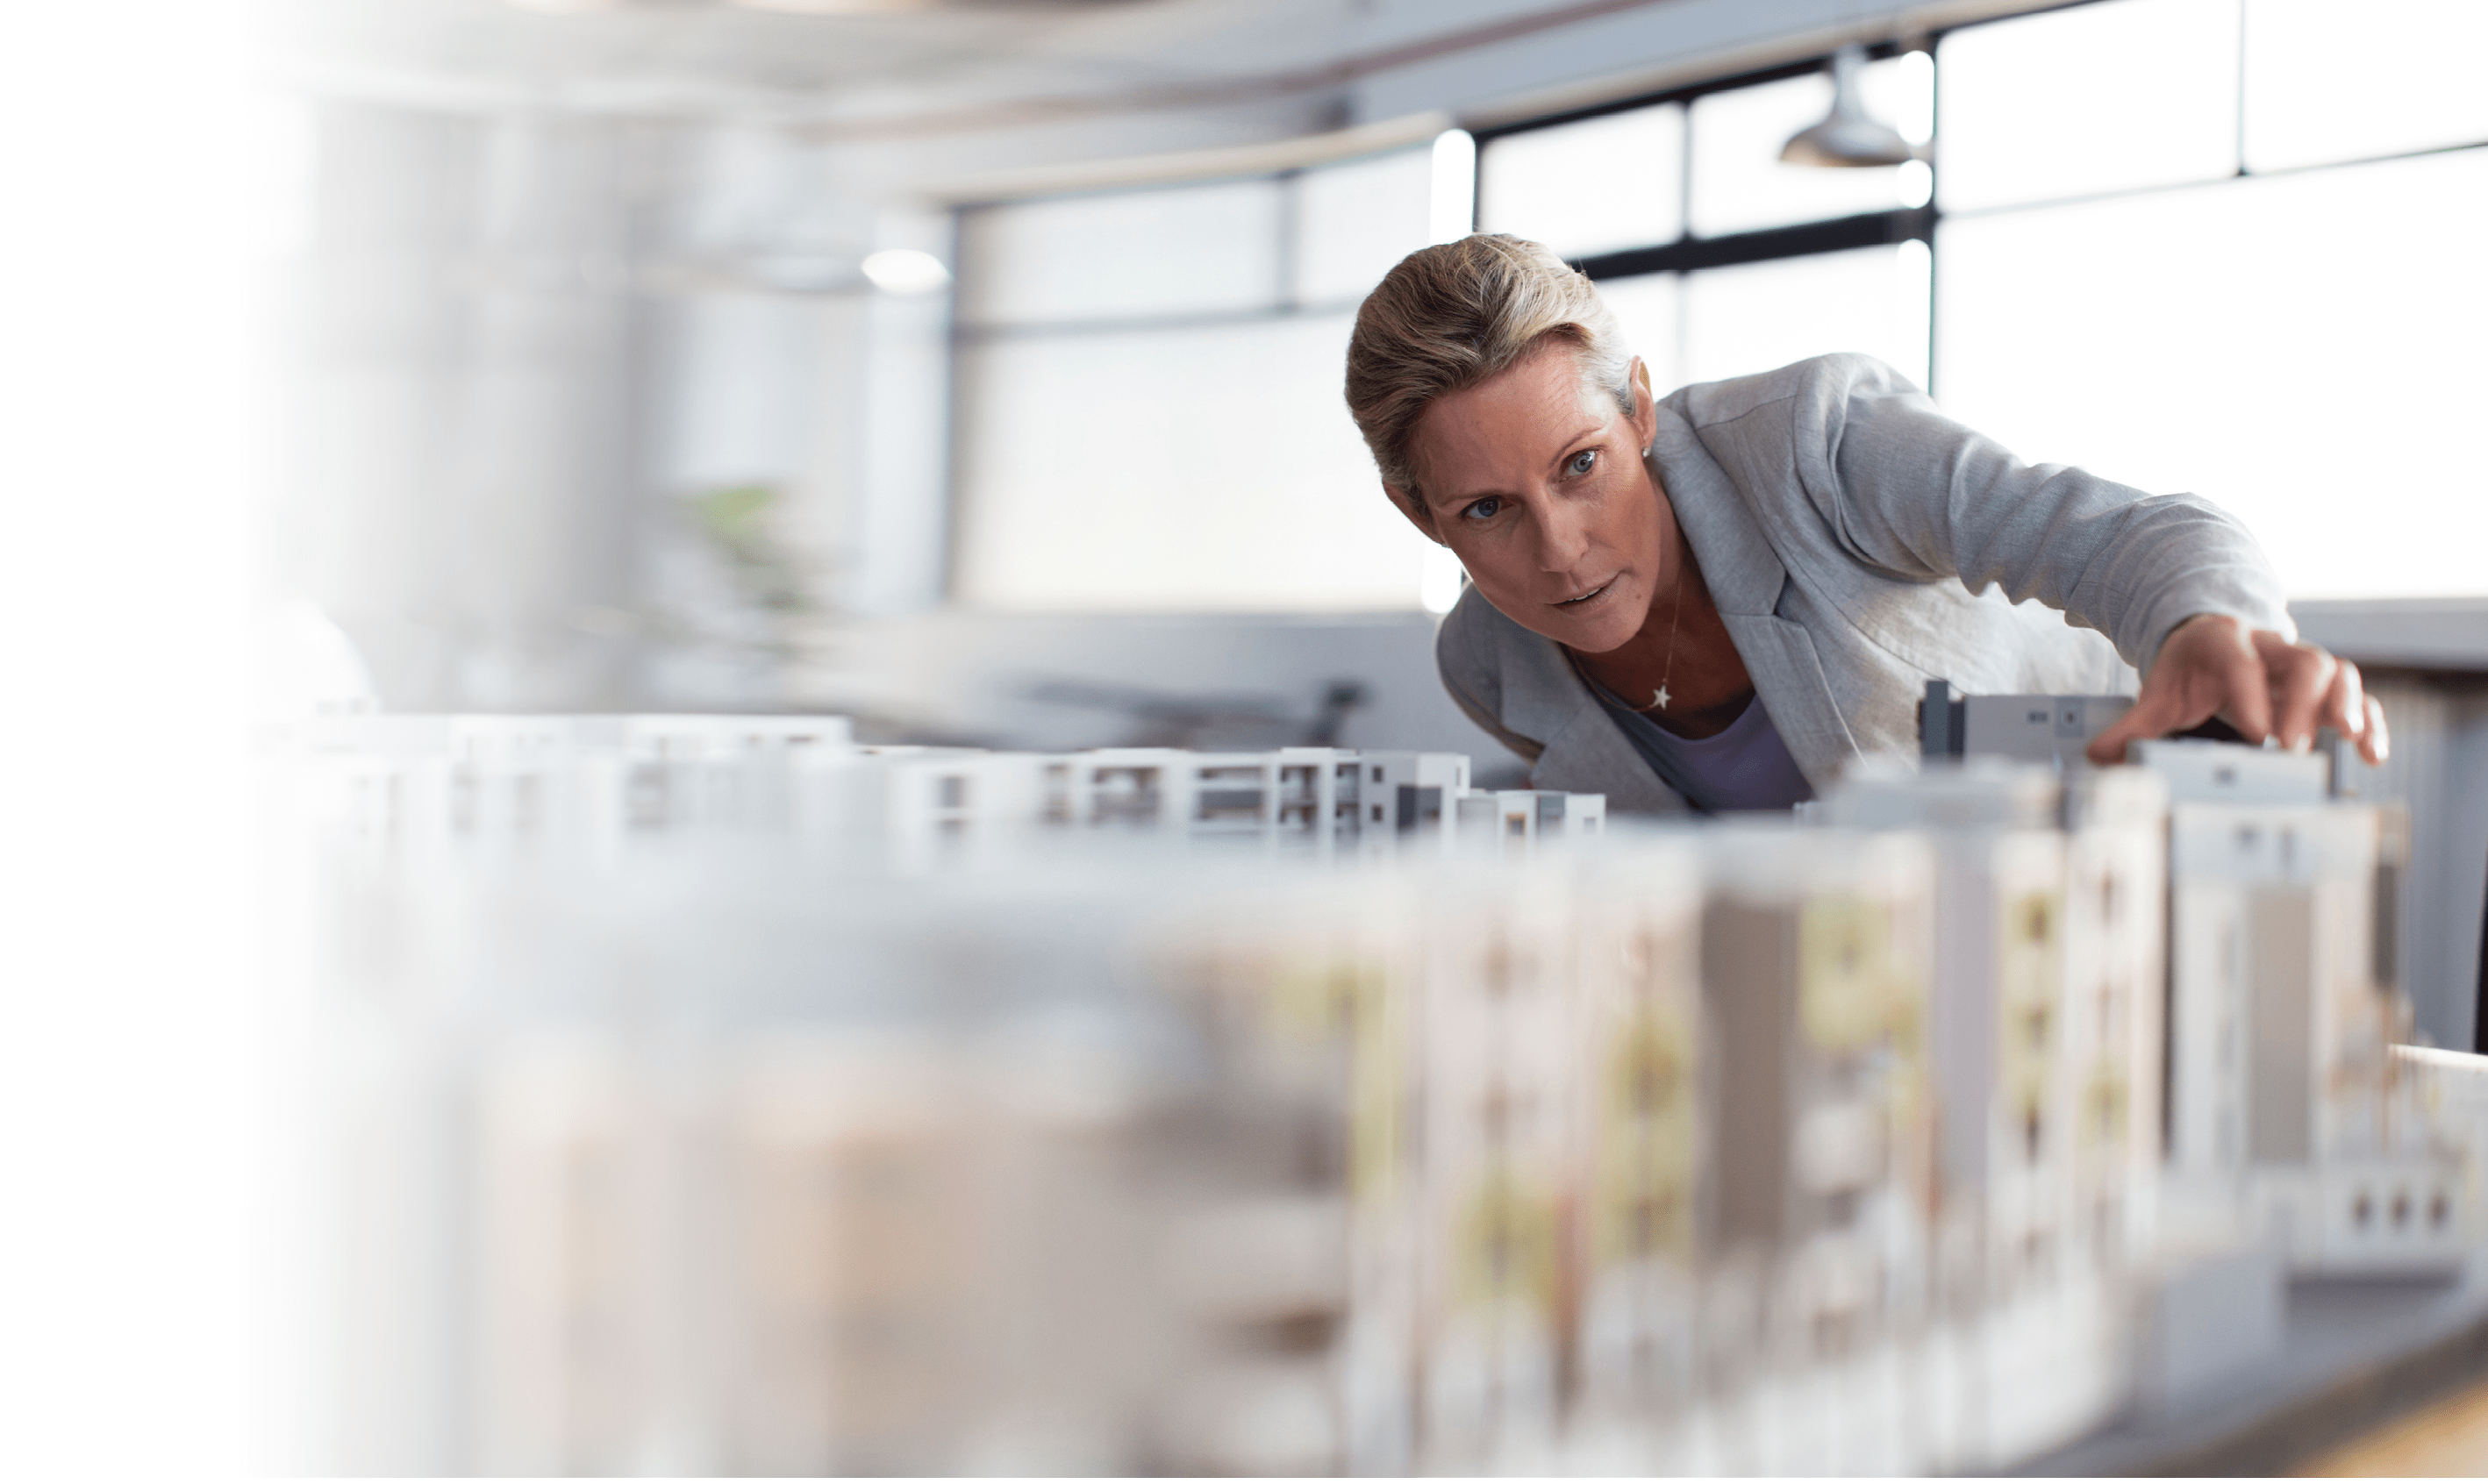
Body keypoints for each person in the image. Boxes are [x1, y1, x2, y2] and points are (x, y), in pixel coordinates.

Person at [1342, 234, 2387, 815]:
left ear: (1640, 412)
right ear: (1419, 515)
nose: (1560, 550)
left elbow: (2123, 535)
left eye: (1582, 466)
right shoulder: (1486, 665)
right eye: (1486, 509)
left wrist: (2206, 627)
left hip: (2105, 846)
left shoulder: (1812, 444)